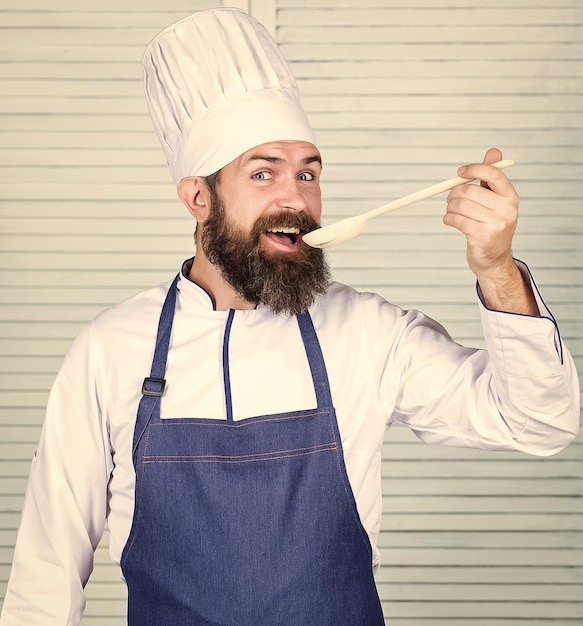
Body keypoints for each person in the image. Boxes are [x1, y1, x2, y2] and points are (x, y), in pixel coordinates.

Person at [0, 8, 579, 626]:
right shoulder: (110, 349)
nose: (295, 198)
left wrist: (496, 268)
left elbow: (539, 421)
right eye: (263, 172)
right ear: (199, 199)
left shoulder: (368, 333)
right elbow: (47, 570)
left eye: (307, 172)